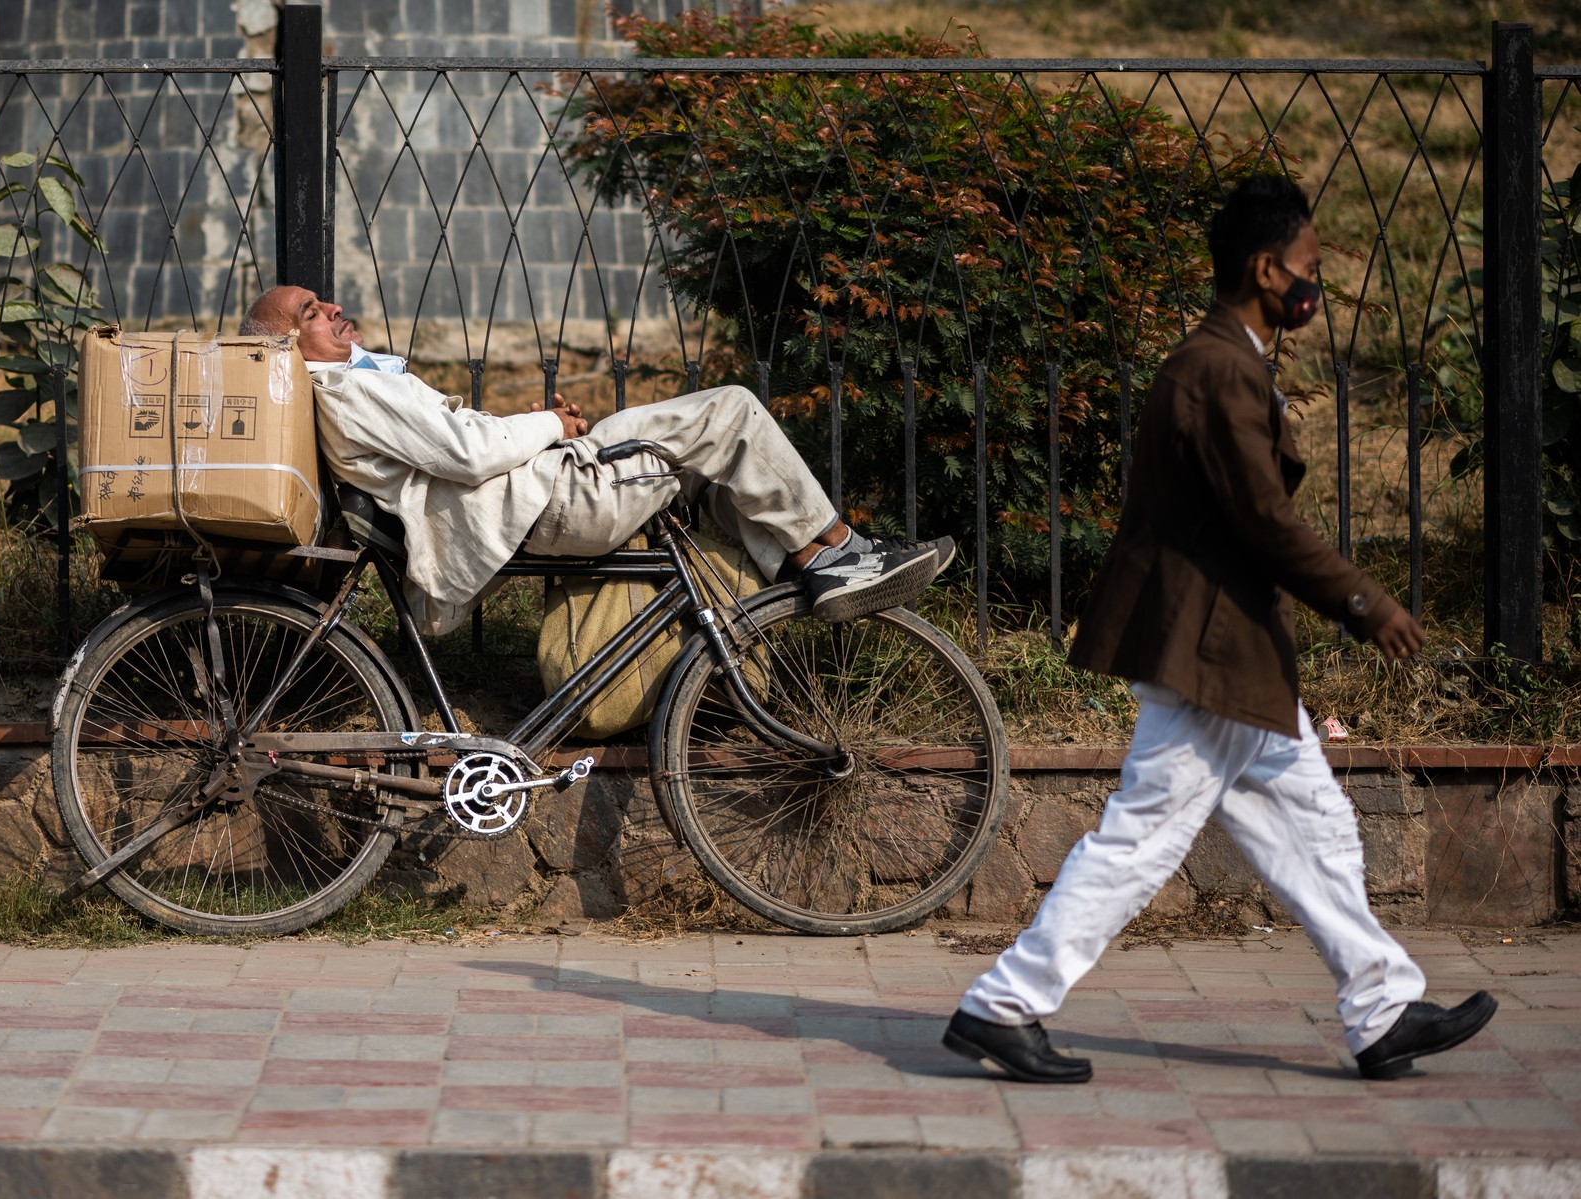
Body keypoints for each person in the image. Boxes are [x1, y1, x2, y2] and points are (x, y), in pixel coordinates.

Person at [941, 175, 1495, 1085]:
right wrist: (1369, 603)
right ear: (1265, 268)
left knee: (1313, 825)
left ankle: (1382, 1004)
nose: (1314, 285)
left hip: (1228, 651)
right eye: (1309, 268)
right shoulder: (1219, 371)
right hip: (1210, 653)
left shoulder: (1222, 362)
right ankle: (1005, 1002)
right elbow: (1264, 521)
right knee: (1144, 837)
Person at [239, 285, 951, 636]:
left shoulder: (345, 385)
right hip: (544, 504)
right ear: (289, 348)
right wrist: (548, 422)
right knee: (729, 411)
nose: (330, 308)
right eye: (308, 313)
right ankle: (833, 553)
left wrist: (551, 430)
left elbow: (463, 443)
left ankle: (813, 561)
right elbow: (468, 450)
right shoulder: (346, 389)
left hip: (537, 491)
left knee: (707, 448)